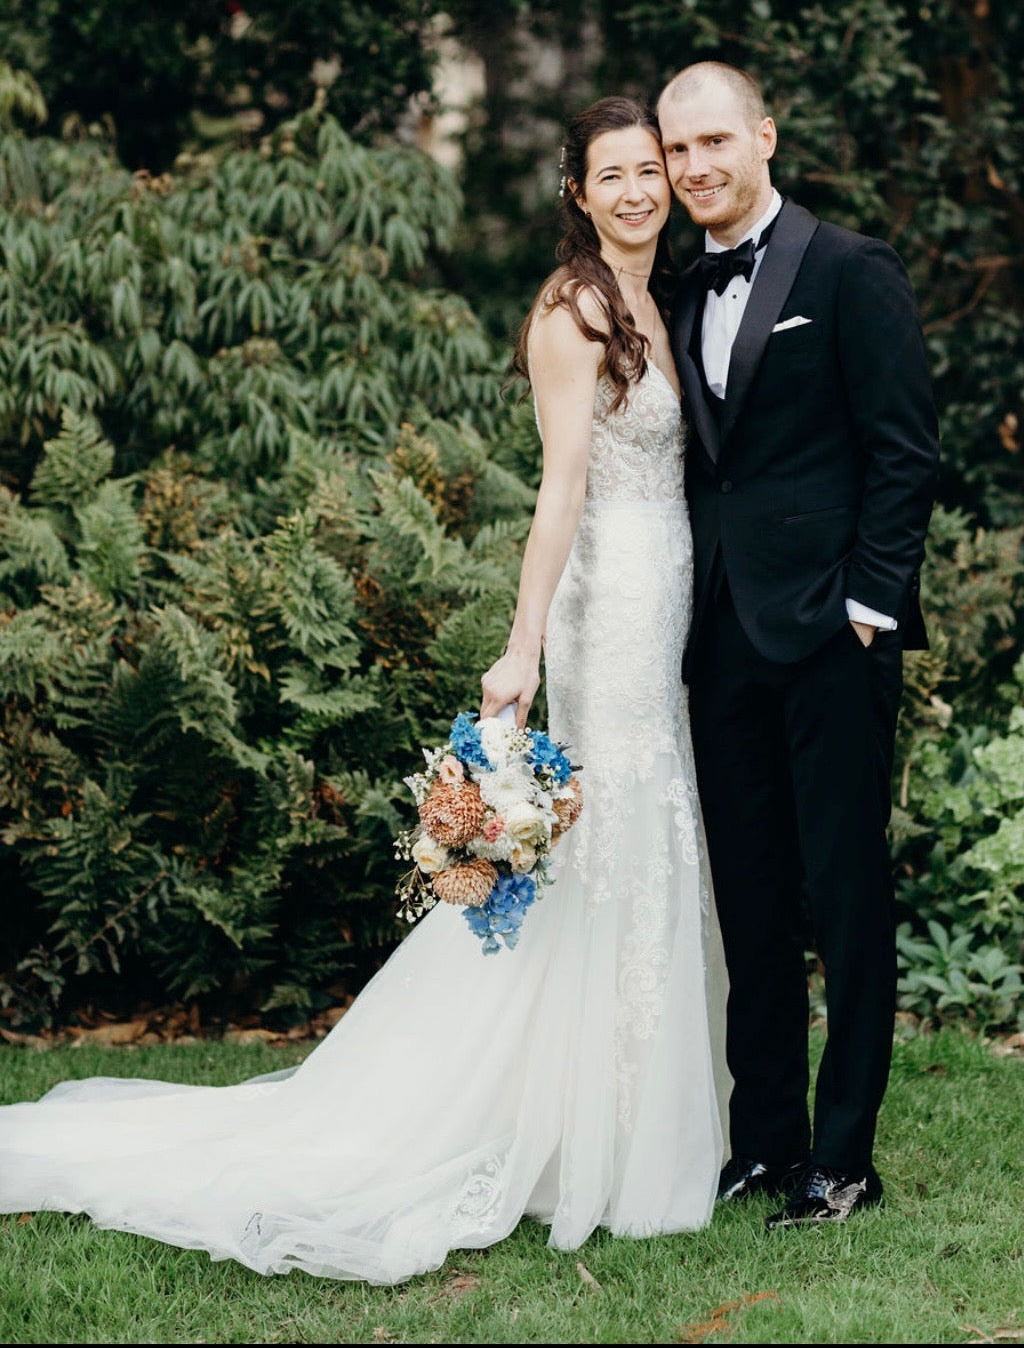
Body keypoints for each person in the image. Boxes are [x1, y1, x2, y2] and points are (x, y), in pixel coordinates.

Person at [0, 98, 726, 1283]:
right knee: (613, 831)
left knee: (653, 826)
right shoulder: (573, 307)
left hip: (673, 588)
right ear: (578, 194)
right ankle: (595, 1138)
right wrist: (522, 646)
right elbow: (558, 490)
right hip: (611, 603)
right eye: (617, 175)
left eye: (653, 169)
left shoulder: (662, 295)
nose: (643, 190)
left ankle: (647, 1109)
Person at [656, 62, 939, 1226]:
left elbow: (905, 451)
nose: (695, 168)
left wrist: (869, 607)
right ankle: (763, 1141)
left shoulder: (850, 269)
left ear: (765, 137)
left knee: (844, 890)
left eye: (715, 141)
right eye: (677, 152)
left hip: (831, 634)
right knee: (752, 896)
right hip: (717, 638)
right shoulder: (677, 284)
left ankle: (844, 1156)